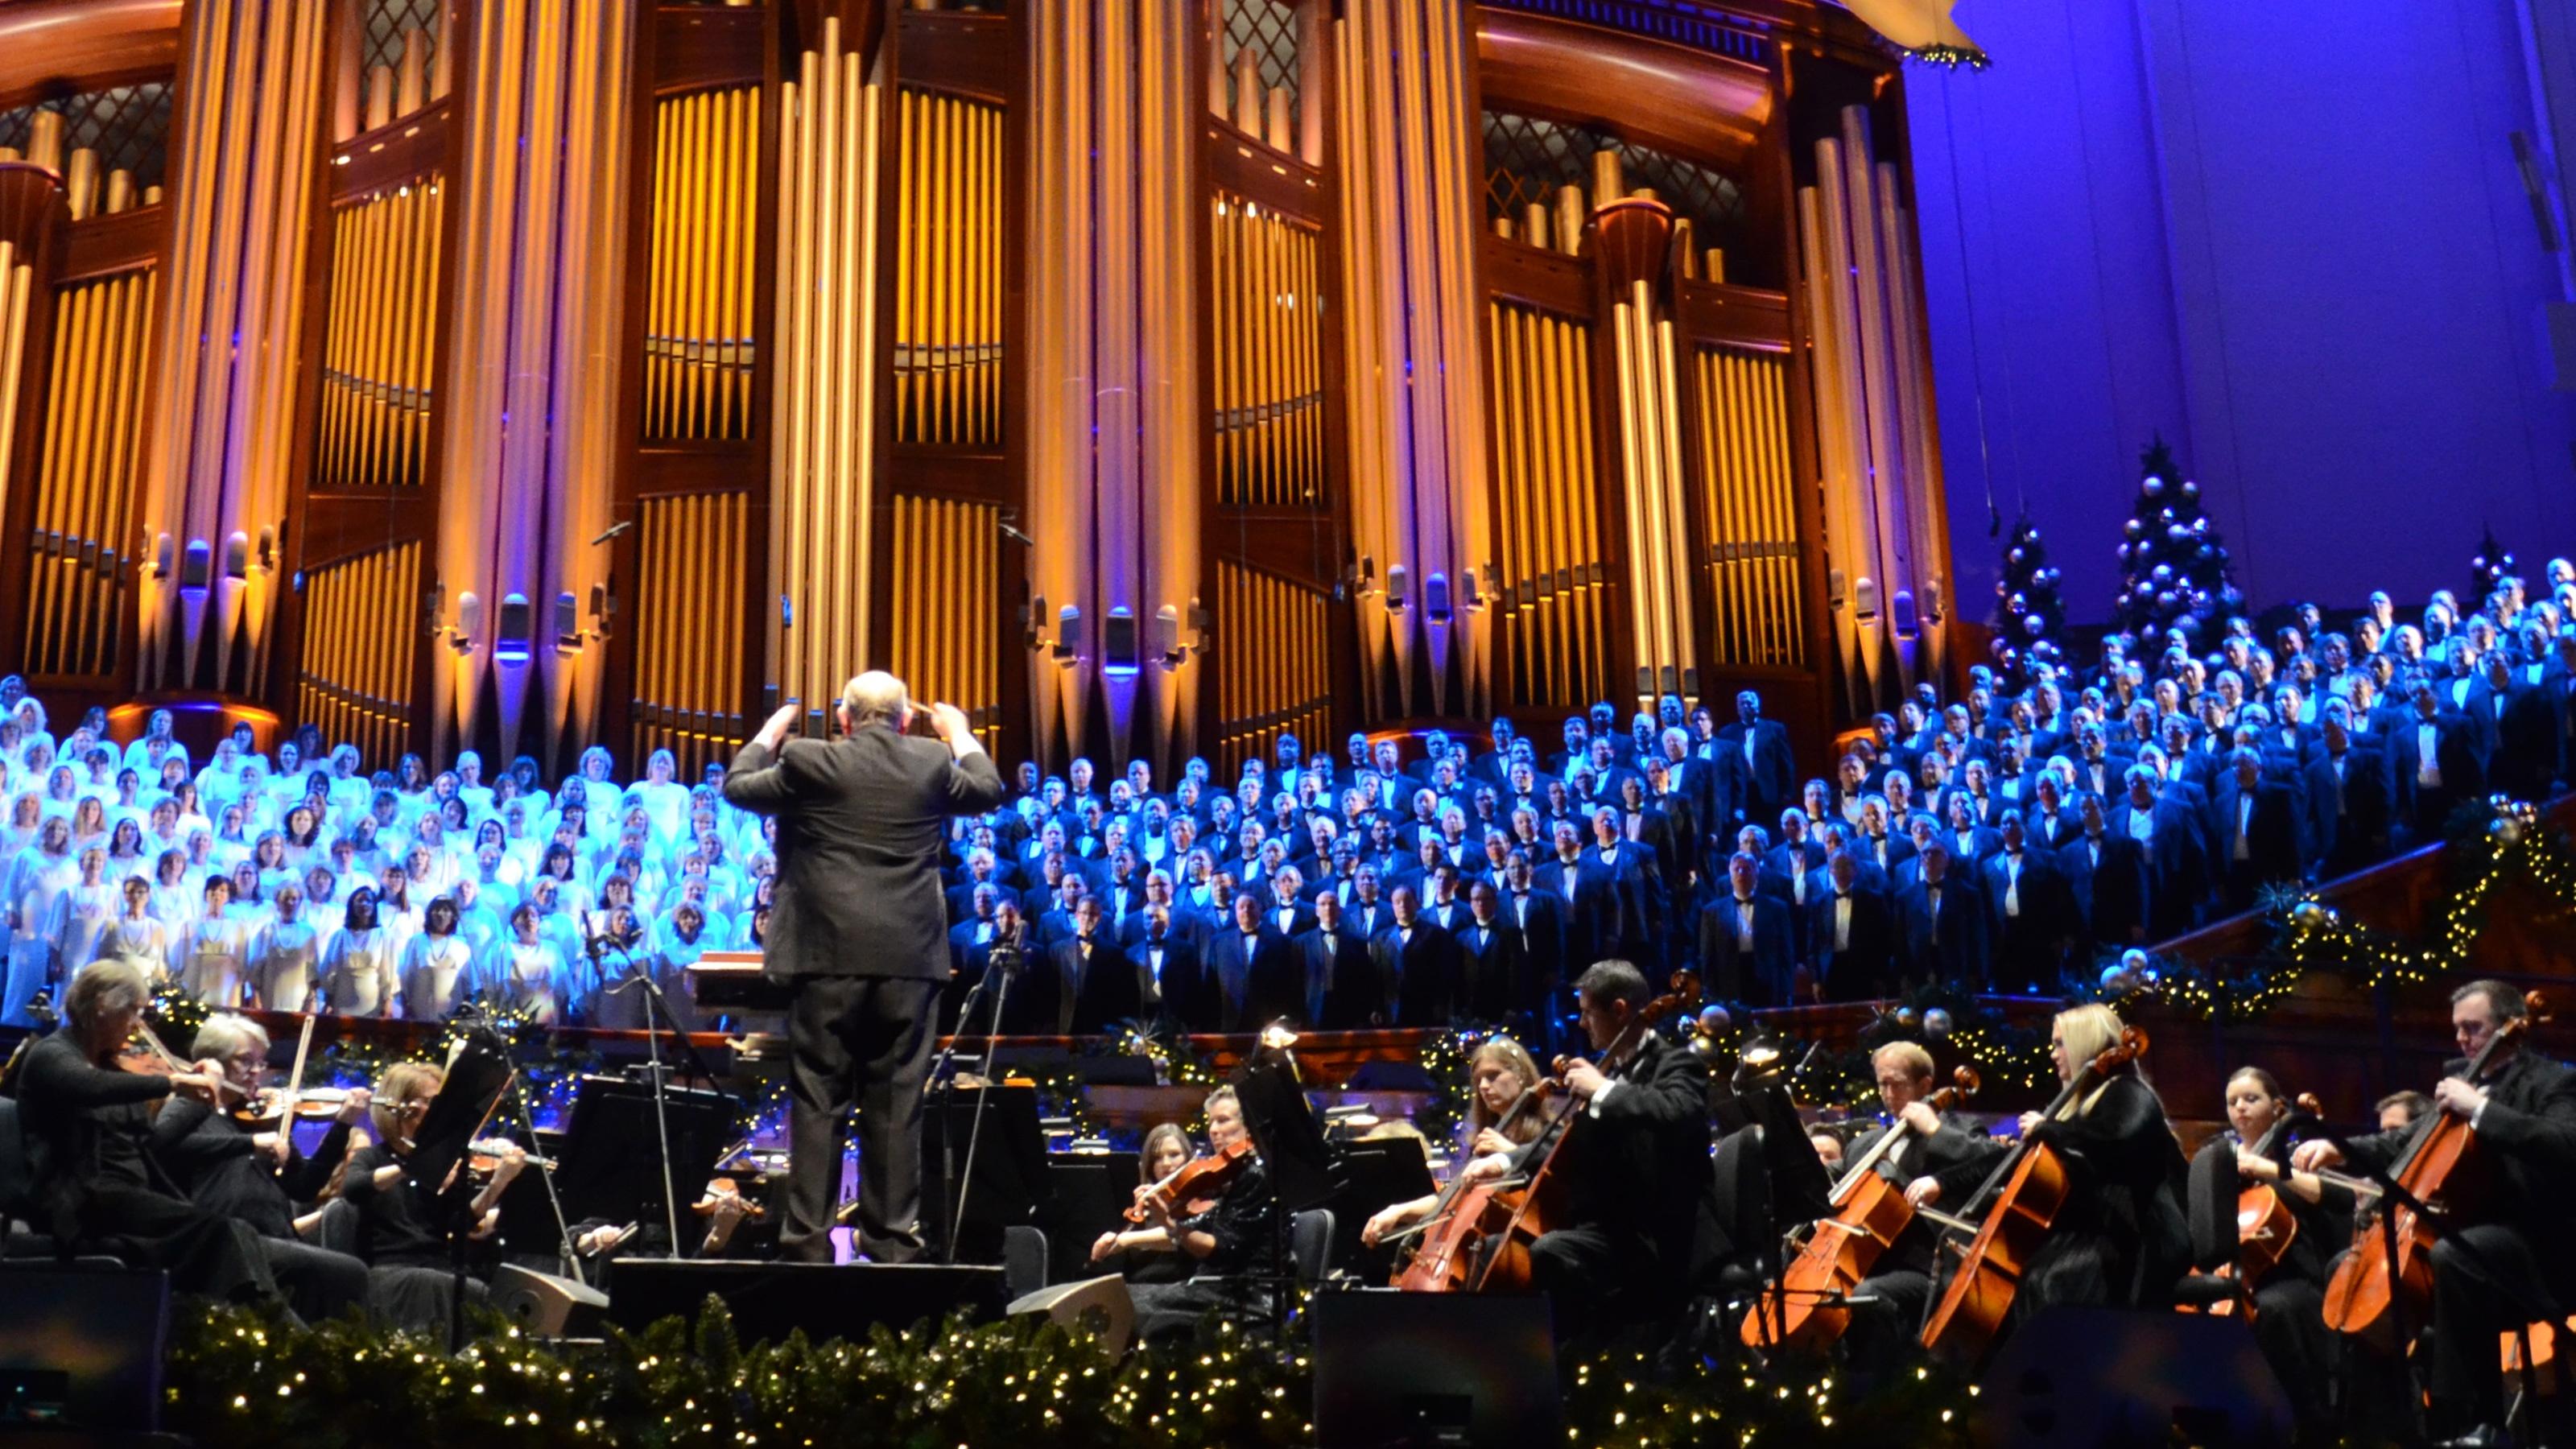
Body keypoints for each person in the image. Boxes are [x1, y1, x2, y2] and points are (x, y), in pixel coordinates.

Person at [719, 671, 1006, 1265]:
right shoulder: (930, 760)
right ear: (906, 720)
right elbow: (987, 788)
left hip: (825, 959)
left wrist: (773, 728)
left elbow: (739, 786)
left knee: (819, 1100)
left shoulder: (807, 759)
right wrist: (960, 733)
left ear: (844, 720)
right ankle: (893, 1242)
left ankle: (806, 1244)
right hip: (907, 960)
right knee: (897, 1102)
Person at [2292, 980, 2576, 1443]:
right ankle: (2380, 1427)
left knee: (2454, 1255)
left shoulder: (2553, 1081)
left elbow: (2565, 1145)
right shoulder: (2462, 1086)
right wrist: (2339, 1148)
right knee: (2353, 1267)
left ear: (2509, 1025)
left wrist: (2482, 1110)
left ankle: (2478, 1422)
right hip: (2467, 1237)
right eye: (2457, 1030)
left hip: (2537, 1244)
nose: (2463, 1040)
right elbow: (2403, 1142)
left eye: (2474, 1028)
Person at [1455, 960, 1713, 1341]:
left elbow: (1681, 1112)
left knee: (1550, 1252)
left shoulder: (1677, 1064)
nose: (1580, 1023)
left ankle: (1577, 1364)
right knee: (1493, 1248)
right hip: (1601, 1230)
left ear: (1621, 1010)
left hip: (1651, 1236)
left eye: (1588, 1012)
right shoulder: (1612, 1072)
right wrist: (1501, 1161)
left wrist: (1604, 1091)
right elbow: (1565, 1149)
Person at [11, 960, 283, 1305]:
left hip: (124, 1196)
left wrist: (198, 1101)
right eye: (133, 1012)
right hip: (80, 1201)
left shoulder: (111, 1068)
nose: (137, 1025)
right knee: (215, 1233)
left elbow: (153, 1145)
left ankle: (252, 1326)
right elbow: (89, 1086)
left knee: (232, 1229)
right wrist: (170, 1082)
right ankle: (238, 1330)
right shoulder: (51, 1054)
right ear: (102, 1007)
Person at [154, 1014, 375, 1323]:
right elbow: (166, 1147)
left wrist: (342, 1126)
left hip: (276, 1239)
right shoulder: (189, 1110)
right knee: (347, 1272)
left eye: (260, 1063)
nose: (257, 1072)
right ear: (213, 1062)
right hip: (232, 1244)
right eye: (246, 1061)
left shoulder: (258, 1121)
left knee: (341, 1274)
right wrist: (250, 1144)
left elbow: (304, 1187)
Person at [2000, 1003, 2187, 1321]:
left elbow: (2116, 1136)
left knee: (2048, 1280)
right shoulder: (2082, 1105)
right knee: (2031, 1272)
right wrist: (1943, 1181)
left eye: (2060, 1043)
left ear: (2083, 1043)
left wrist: (2049, 1129)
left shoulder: (2129, 1091)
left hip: (2144, 1237)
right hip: (2107, 1230)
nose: (2053, 1054)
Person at [2197, 1066, 2343, 1439]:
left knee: (2275, 1309)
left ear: (2278, 1107)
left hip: (2293, 1273)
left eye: (2251, 1099)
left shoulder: (2297, 1151)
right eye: (2232, 1102)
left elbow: (2339, 1198)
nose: (2240, 1108)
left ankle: (2307, 1423)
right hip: (2240, 1270)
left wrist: (2272, 1171)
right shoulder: (2221, 1154)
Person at [340, 1060, 526, 1327]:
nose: (440, 1112)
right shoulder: (372, 1157)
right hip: (390, 1271)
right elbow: (353, 1188)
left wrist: (498, 1183)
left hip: (438, 1267)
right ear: (403, 1107)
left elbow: (461, 1224)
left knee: (476, 1290)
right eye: (430, 1102)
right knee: (431, 1284)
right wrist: (411, 1167)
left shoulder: (444, 1164)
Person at [1120, 1086, 1280, 1341]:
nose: (1214, 1130)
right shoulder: (1239, 1174)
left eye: (1223, 1120)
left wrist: (1170, 1224)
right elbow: (1201, 1224)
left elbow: (1219, 1250)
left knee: (1124, 1307)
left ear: (1250, 1126)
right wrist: (1122, 1240)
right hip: (1218, 1287)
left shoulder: (1257, 1176)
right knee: (1121, 1298)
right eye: (1211, 1122)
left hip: (1246, 1295)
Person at [1358, 1038, 1549, 1250]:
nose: (1484, 1086)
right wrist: (1398, 1211)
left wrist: (1509, 1154)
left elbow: (1556, 1186)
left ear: (1521, 1075)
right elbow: (1450, 1198)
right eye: (1479, 1080)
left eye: (1493, 1076)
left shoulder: (1549, 1133)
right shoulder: (1484, 1143)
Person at [1085, 1122, 1204, 1286]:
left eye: (1174, 1154)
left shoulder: (1200, 1197)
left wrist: (1127, 1239)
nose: (1166, 1163)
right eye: (1157, 1158)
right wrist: (1113, 1239)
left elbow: (1183, 1236)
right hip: (1142, 1286)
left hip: (1178, 1286)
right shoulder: (1148, 1200)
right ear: (1150, 1165)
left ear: (1188, 1158)